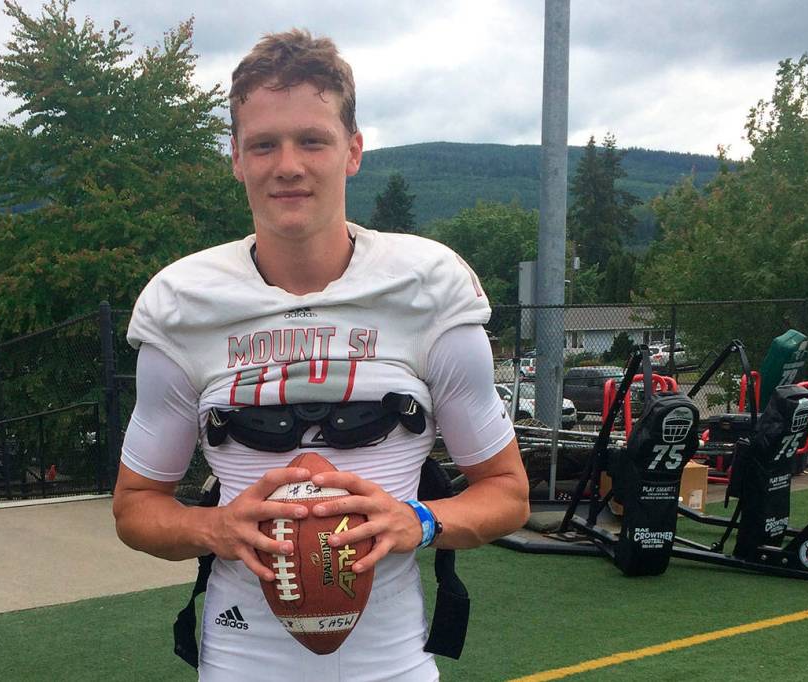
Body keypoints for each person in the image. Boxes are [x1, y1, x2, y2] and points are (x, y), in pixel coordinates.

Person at [113, 29, 529, 681]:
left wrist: (417, 520)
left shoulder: (426, 288)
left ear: (352, 150)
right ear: (237, 158)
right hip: (241, 657)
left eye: (312, 139)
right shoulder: (184, 304)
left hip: (391, 663)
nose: (288, 165)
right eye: (264, 144)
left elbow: (506, 493)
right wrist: (215, 530)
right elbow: (137, 505)